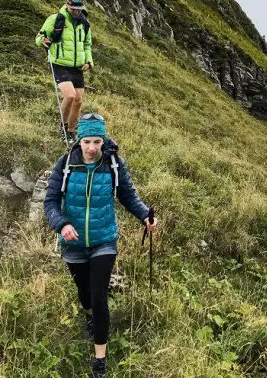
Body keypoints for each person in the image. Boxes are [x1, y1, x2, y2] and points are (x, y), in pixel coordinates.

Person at [43, 113, 157, 378]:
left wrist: (144, 215)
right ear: (78, 141)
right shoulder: (65, 164)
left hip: (104, 239)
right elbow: (50, 203)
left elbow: (128, 195)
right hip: (73, 243)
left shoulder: (114, 164)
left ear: (104, 141)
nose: (92, 148)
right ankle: (89, 317)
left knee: (98, 295)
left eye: (97, 141)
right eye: (87, 141)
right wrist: (62, 224)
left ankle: (100, 360)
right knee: (84, 292)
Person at [36, 0, 94, 143]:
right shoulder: (55, 19)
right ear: (67, 6)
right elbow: (39, 36)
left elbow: (87, 44)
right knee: (70, 96)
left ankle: (71, 132)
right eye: (73, 8)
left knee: (78, 100)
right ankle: (62, 128)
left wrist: (88, 60)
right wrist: (42, 40)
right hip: (59, 64)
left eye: (78, 9)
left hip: (77, 67)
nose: (76, 12)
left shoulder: (84, 23)